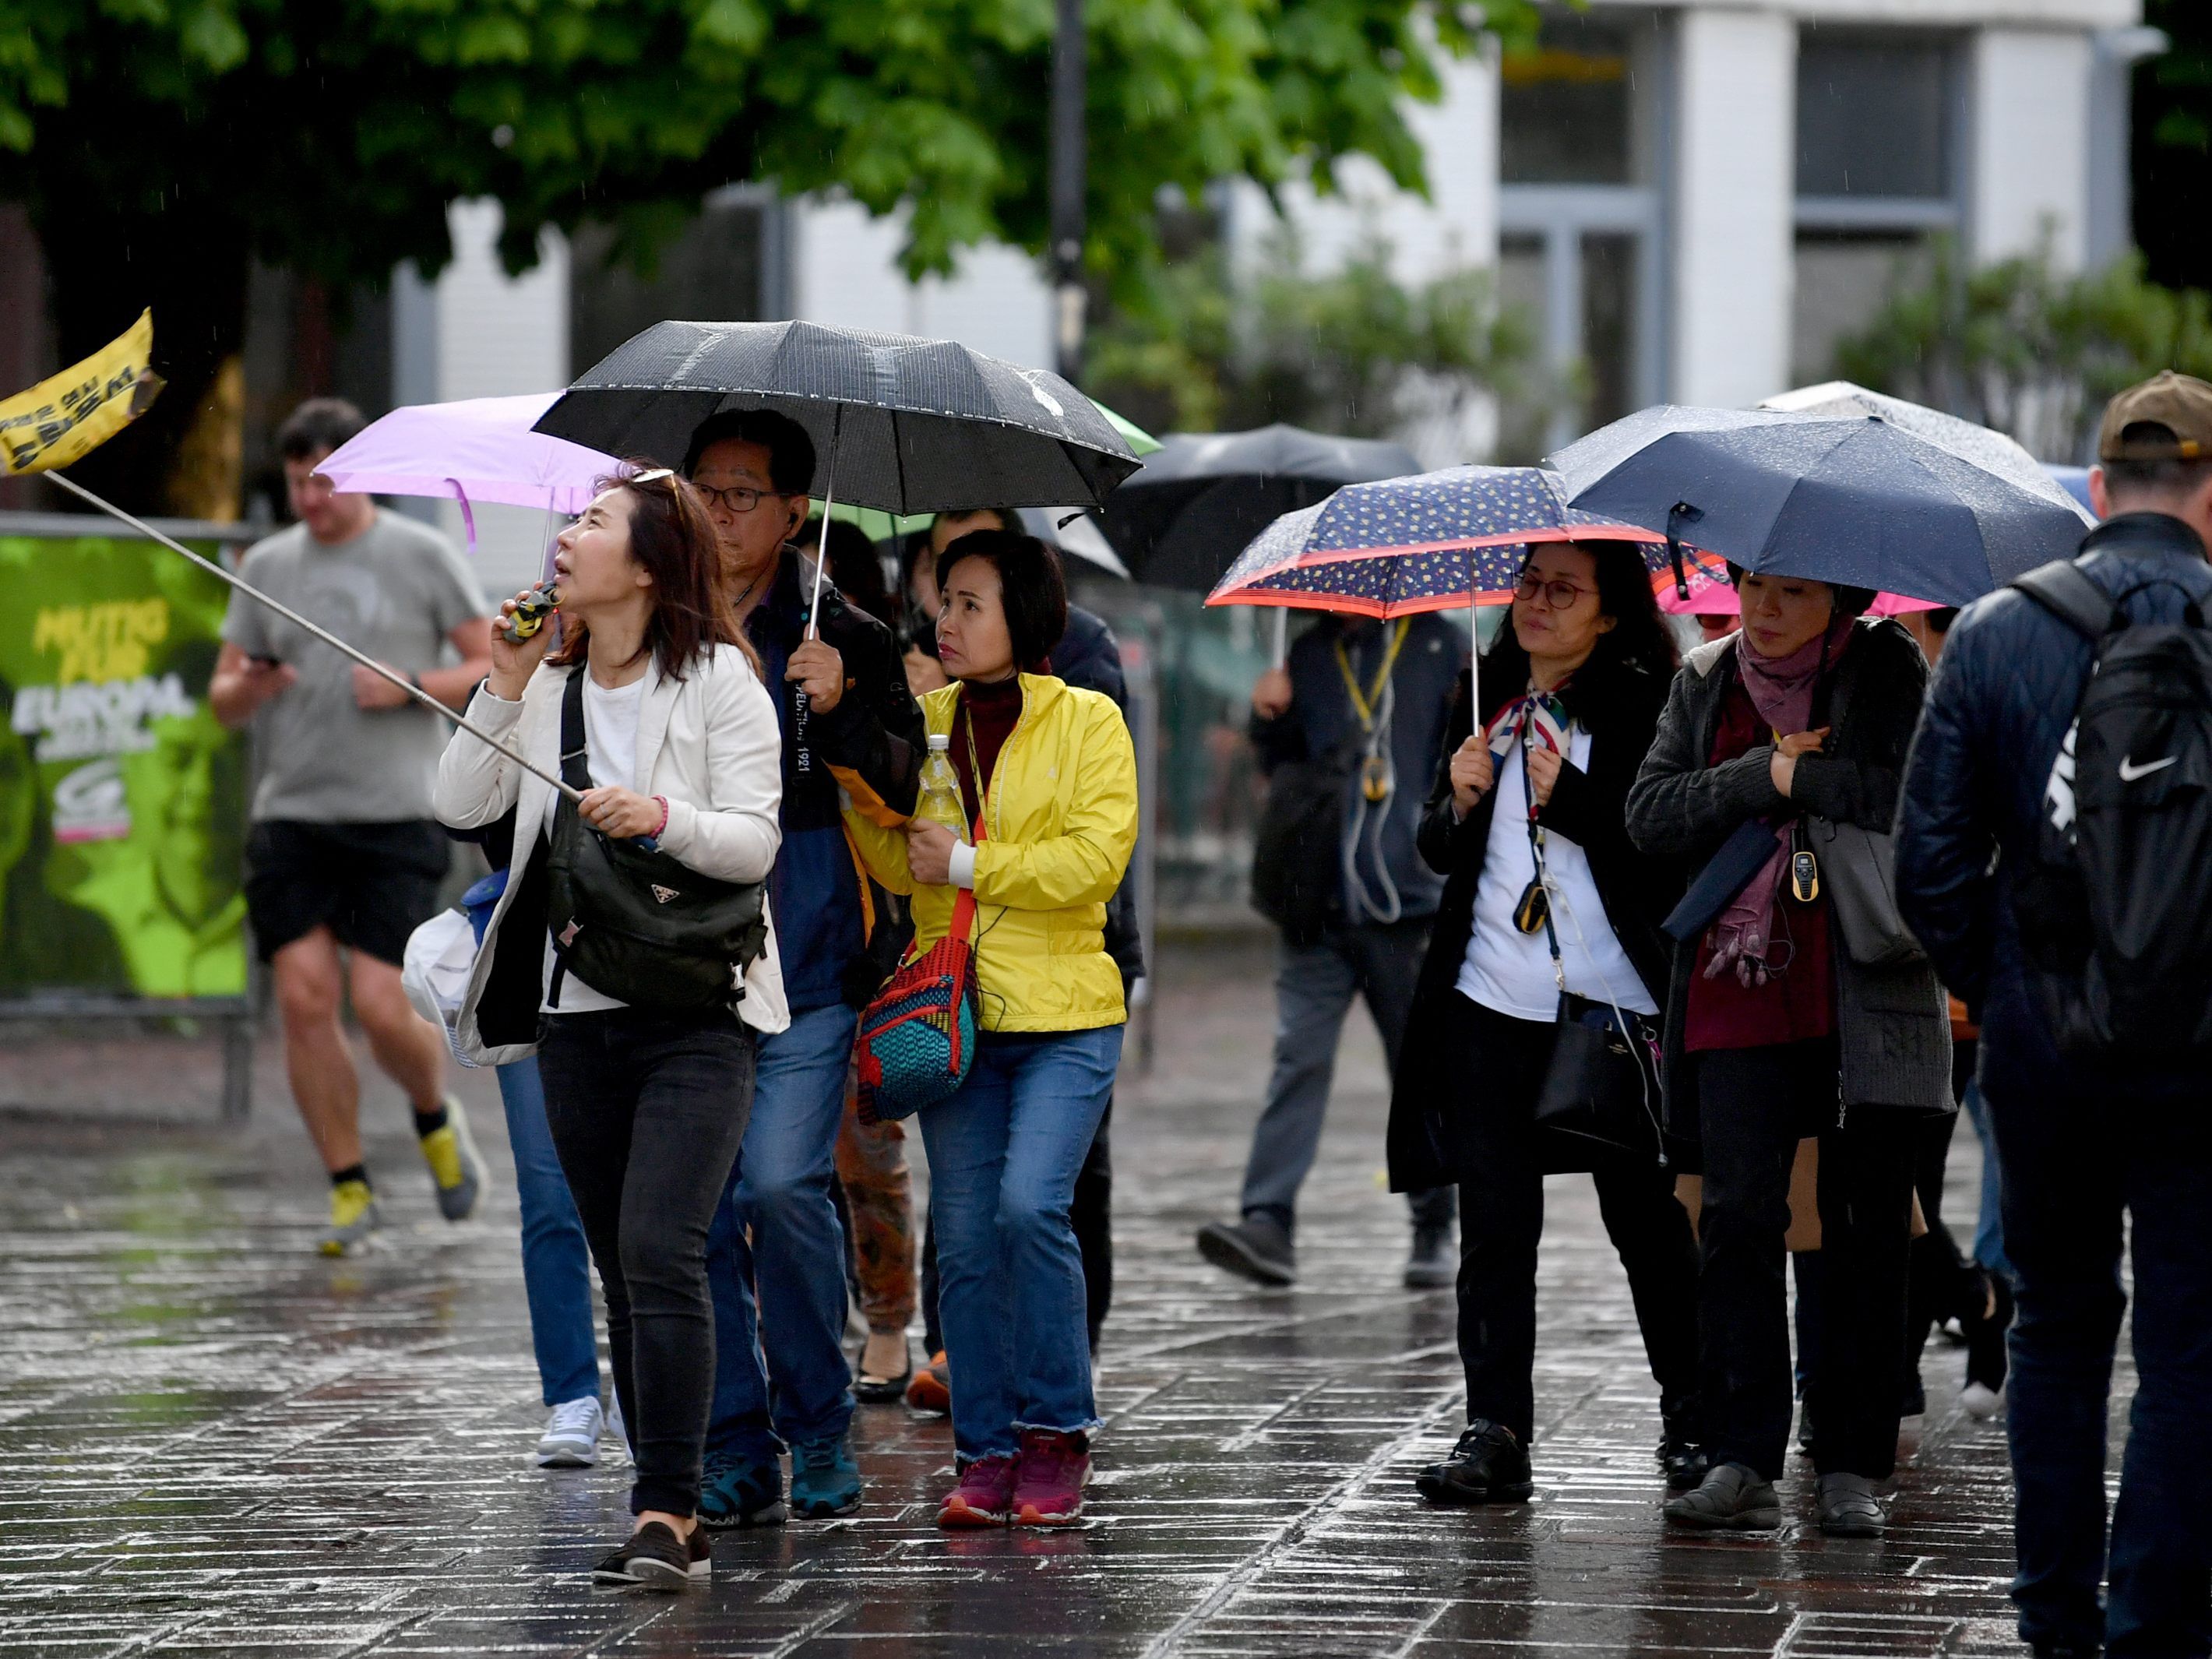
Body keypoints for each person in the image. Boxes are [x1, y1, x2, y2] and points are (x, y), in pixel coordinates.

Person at [1895, 372, 2212, 1656]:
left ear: (2095, 493)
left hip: (2043, 1045)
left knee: (2059, 1320)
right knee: (2193, 1336)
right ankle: (2157, 1621)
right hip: (2202, 1051)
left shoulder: (1991, 634)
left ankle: (2051, 1620)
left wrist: (2009, 981)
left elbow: (1927, 869)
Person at [434, 467, 784, 1589]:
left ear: (646, 562)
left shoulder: (724, 679)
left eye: (590, 522)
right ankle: (664, 1495)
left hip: (699, 1012)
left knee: (661, 1246)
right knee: (622, 1272)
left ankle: (670, 1508)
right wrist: (502, 681)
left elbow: (755, 842)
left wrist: (661, 815)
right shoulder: (550, 682)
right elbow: (461, 806)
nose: (566, 538)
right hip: (575, 1012)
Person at [1626, 568, 1951, 1539]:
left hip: (1861, 987)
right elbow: (1647, 813)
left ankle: (1851, 1459)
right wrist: (1761, 775)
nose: (1761, 611)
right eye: (1753, 586)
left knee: (1861, 1229)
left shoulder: (1884, 666)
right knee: (1733, 1221)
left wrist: (1804, 778)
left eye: (1792, 593)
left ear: (1841, 601)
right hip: (1736, 991)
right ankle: (1739, 1454)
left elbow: (1903, 792)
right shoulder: (1702, 676)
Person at [1392, 544, 1702, 1505]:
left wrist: (1567, 801)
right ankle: (1494, 1430)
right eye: (1526, 584)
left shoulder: (1648, 701)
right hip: (1488, 997)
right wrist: (1456, 800)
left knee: (1644, 1221)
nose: (1534, 602)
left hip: (1611, 1001)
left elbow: (1665, 843)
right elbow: (1440, 846)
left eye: (1561, 589)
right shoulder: (1482, 694)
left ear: (1608, 614)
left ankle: (1692, 1421)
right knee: (1492, 1222)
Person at [845, 527, 1137, 1527]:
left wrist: (966, 862)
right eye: (942, 600)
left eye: (969, 601)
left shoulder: (1090, 721)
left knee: (1027, 1211)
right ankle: (985, 1448)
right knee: (964, 1242)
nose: (946, 619)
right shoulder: (919, 722)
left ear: (1025, 611)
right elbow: (898, 864)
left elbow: (1093, 862)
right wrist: (849, 760)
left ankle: (1056, 1434)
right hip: (953, 1017)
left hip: (1067, 1015)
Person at [682, 410, 924, 1528]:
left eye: (744, 493)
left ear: (792, 514)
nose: (721, 511)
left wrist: (836, 715)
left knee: (783, 1187)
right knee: (705, 1205)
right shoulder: (653, 620)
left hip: (813, 952)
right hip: (685, 961)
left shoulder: (849, 634)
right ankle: (732, 1440)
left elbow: (904, 781)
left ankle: (818, 1423)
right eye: (706, 489)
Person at [210, 398, 495, 1256]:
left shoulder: (422, 555)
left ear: (361, 475)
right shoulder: (266, 564)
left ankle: (433, 1116)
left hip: (396, 813)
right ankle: (346, 1185)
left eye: (325, 480)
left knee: (379, 1003)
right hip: (293, 815)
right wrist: (253, 685)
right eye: (297, 482)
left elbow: (490, 664)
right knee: (302, 1000)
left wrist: (410, 682)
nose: (311, 499)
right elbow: (223, 697)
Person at [1196, 608, 1463, 1289]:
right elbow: (1282, 767)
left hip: (1409, 905)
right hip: (1314, 900)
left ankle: (1435, 1224)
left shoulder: (1441, 645)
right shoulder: (1308, 654)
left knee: (1421, 1070)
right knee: (1298, 1058)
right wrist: (1270, 718)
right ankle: (1268, 1220)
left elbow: (1454, 765)